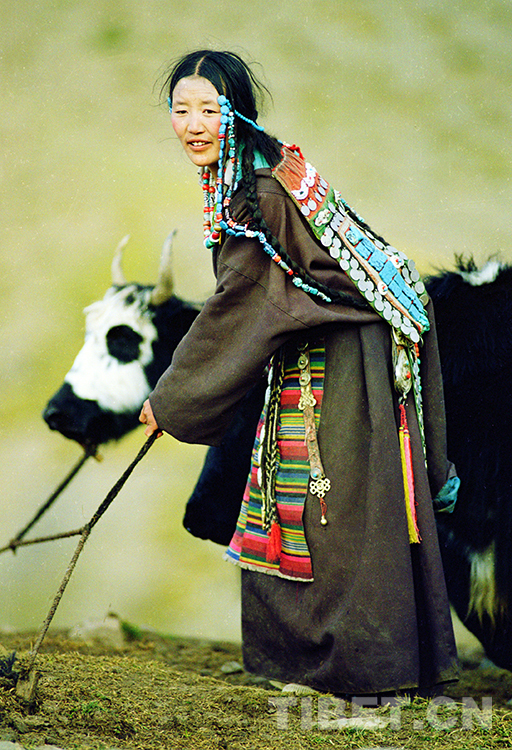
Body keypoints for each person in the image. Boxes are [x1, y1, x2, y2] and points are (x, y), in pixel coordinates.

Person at [139, 49, 459, 697]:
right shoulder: (265, 176)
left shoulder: (255, 196)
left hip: (342, 364)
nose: (193, 125)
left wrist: (170, 400)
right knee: (331, 509)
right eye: (181, 110)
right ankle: (348, 664)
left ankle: (357, 669)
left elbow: (241, 302)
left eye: (209, 110)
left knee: (328, 512)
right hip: (344, 352)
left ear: (237, 116)